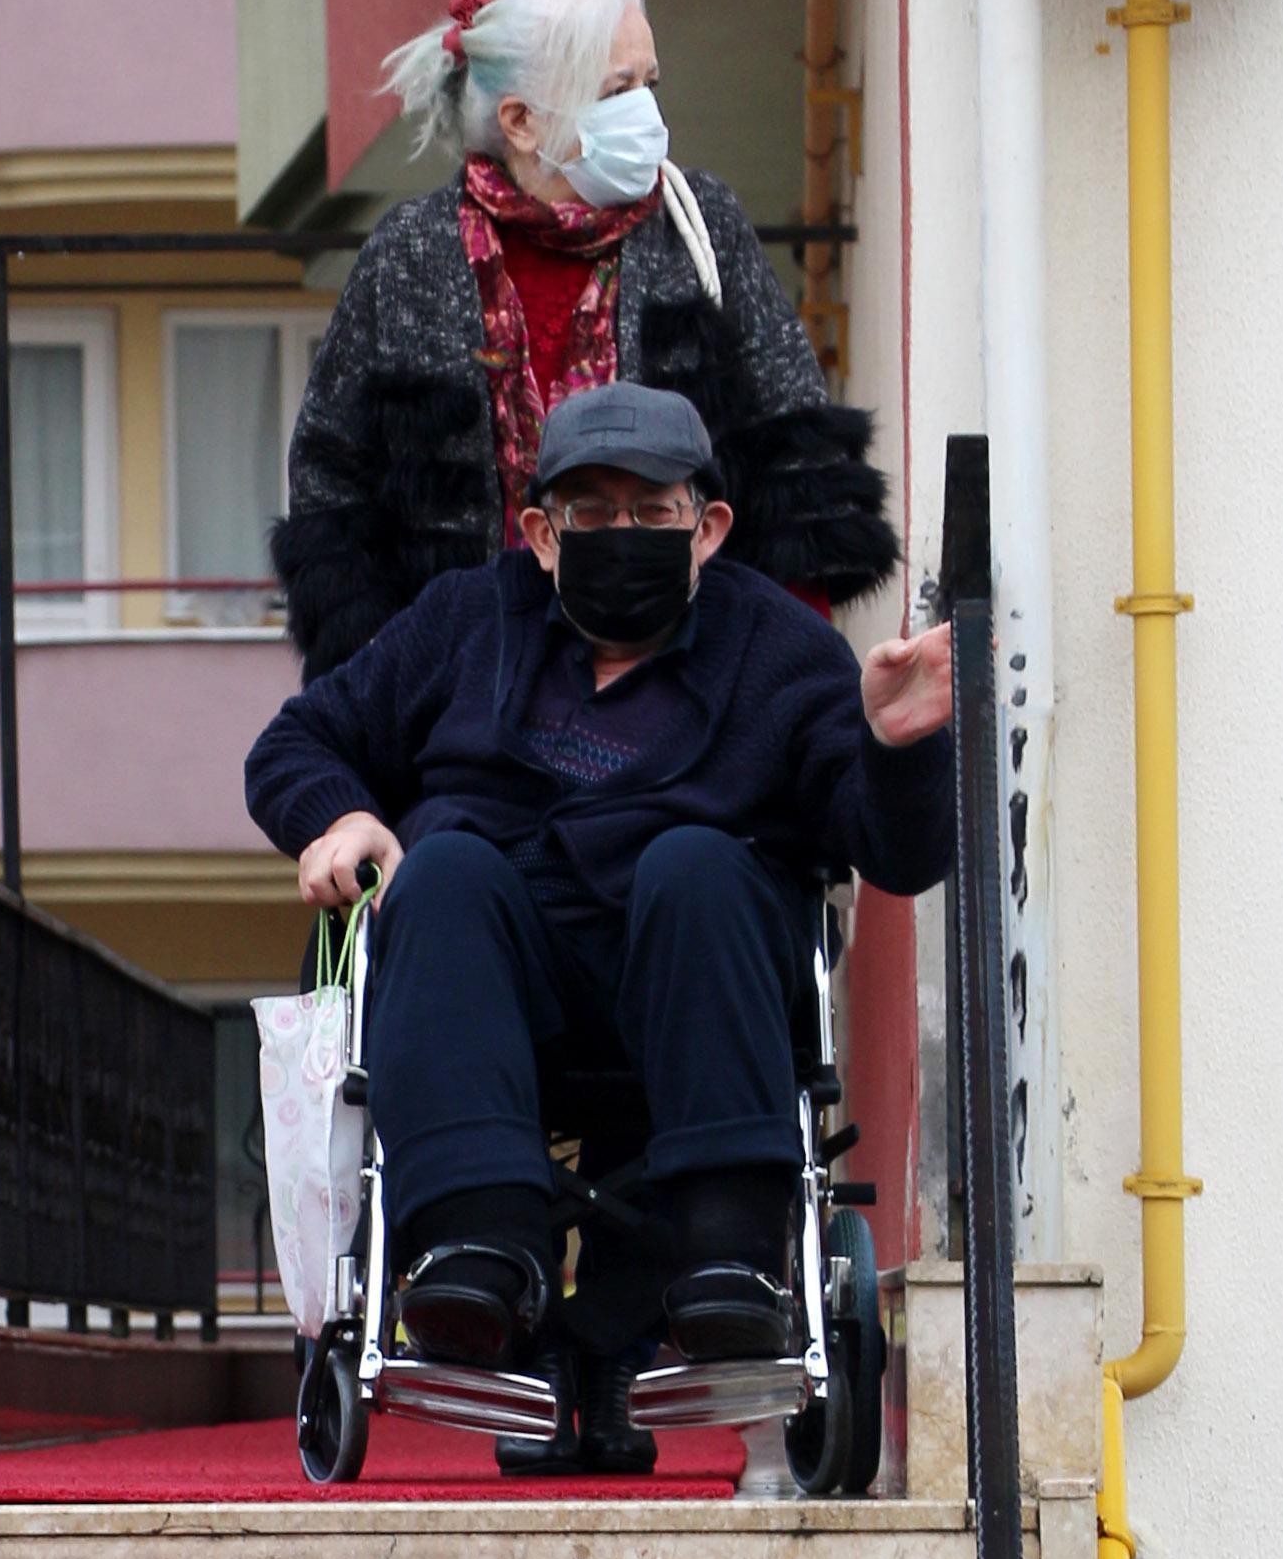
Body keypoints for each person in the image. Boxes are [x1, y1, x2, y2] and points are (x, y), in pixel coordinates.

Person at [242, 383, 953, 1475]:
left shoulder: (779, 651)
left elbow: (896, 853)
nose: (622, 536)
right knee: (446, 871)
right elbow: (295, 742)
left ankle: (727, 1261)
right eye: (592, 515)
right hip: (491, 991)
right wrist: (338, 817)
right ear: (539, 534)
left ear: (706, 528)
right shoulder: (463, 623)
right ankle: (476, 1252)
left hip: (693, 984)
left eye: (652, 514)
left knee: (696, 864)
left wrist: (899, 752)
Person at [271, 0, 901, 678]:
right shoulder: (409, 255)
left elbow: (792, 452)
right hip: (466, 695)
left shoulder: (698, 227)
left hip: (683, 686)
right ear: (520, 122)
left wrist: (782, 679)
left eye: (648, 84)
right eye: (615, 91)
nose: (646, 112)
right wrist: (382, 682)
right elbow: (332, 484)